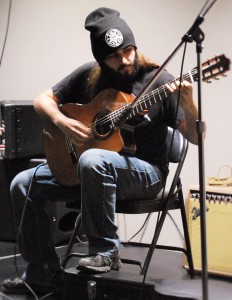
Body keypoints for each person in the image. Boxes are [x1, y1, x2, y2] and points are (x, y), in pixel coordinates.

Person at [1, 7, 198, 295]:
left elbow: (195, 137)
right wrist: (63, 122)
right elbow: (42, 101)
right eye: (114, 56)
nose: (125, 59)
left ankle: (106, 251)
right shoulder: (90, 75)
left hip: (146, 173)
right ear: (101, 60)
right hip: (90, 170)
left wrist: (190, 103)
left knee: (94, 159)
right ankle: (42, 272)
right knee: (22, 183)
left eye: (129, 50)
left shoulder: (160, 80)